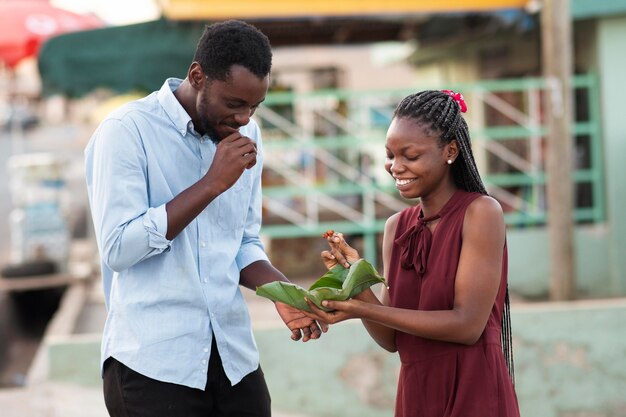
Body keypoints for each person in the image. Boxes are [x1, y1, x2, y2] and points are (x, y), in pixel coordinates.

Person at [85, 20, 326, 417]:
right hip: (152, 367)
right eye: (234, 104)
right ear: (197, 76)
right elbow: (118, 248)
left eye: (255, 106)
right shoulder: (125, 132)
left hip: (233, 358)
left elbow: (243, 243)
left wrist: (286, 294)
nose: (245, 118)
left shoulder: (249, 136)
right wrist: (211, 183)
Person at [303, 90, 520, 417]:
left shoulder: (481, 213)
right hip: (417, 392)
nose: (395, 167)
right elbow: (392, 339)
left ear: (450, 151)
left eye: (410, 156)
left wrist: (361, 310)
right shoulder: (396, 227)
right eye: (390, 155)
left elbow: (467, 326)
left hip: (474, 389)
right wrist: (354, 282)